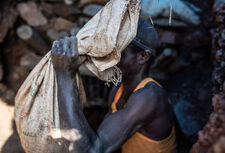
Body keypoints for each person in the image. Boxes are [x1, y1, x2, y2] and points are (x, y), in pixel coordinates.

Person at [51, 20, 176, 153]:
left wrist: (64, 75)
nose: (108, 57)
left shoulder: (150, 97)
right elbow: (103, 141)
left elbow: (93, 150)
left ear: (143, 57)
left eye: (117, 51)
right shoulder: (117, 89)